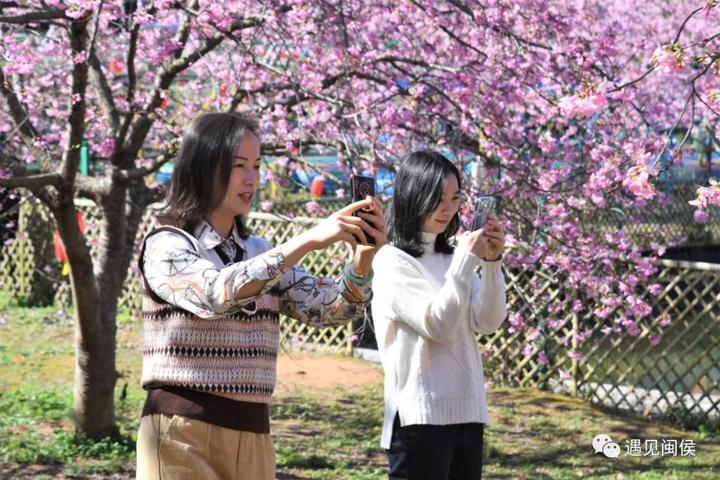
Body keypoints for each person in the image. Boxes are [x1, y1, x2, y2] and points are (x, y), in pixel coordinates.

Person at [135, 111, 386, 480]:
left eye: (256, 164)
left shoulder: (258, 249)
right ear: (203, 166)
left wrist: (362, 260)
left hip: (253, 434)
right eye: (239, 165)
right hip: (179, 430)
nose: (251, 178)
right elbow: (216, 293)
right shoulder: (166, 245)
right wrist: (308, 240)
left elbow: (329, 310)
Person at [371, 150, 507, 480]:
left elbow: (488, 321)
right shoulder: (392, 260)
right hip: (419, 422)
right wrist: (465, 261)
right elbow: (438, 325)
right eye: (438, 198)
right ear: (414, 197)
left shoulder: (453, 257)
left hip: (469, 417)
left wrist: (491, 263)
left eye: (455, 198)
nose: (448, 208)